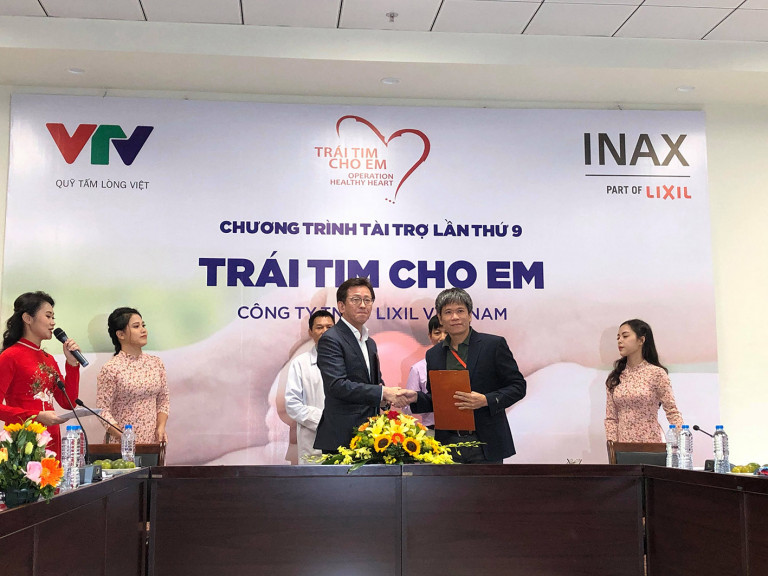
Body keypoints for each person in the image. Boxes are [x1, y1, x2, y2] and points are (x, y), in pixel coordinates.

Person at [406, 287, 527, 463]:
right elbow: (438, 399)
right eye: (448, 312)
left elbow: (518, 386)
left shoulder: (493, 345)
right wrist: (416, 397)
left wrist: (486, 400)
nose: (455, 317)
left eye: (460, 311)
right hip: (447, 444)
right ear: (440, 318)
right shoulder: (434, 354)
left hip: (485, 443)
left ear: (470, 315)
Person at [313, 277, 411, 452]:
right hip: (342, 436)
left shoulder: (369, 342)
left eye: (368, 300)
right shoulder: (331, 339)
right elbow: (337, 385)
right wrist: (383, 392)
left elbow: (374, 383)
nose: (363, 305)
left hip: (370, 433)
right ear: (341, 306)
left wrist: (387, 398)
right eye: (356, 300)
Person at [0, 291, 82, 456]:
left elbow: (69, 403)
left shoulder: (48, 359)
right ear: (27, 318)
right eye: (48, 316)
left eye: (53, 317)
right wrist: (36, 416)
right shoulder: (10, 356)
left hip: (51, 438)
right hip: (23, 440)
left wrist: (72, 364)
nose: (53, 322)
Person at [96, 307, 169, 444]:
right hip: (121, 445)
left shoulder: (155, 363)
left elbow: (163, 400)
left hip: (152, 443)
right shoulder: (111, 368)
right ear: (120, 334)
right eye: (136, 326)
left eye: (143, 325)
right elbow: (102, 410)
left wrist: (161, 427)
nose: (143, 330)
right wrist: (124, 437)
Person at [604, 319, 683, 442]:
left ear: (641, 340)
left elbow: (672, 411)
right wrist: (612, 447)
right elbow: (611, 419)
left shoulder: (656, 373)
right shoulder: (615, 377)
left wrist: (683, 442)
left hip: (651, 445)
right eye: (618, 337)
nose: (620, 340)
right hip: (623, 448)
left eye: (625, 336)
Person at [284, 310, 335, 463]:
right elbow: (293, 405)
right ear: (310, 332)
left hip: (345, 443)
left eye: (329, 327)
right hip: (313, 443)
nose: (325, 331)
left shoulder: (348, 361)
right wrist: (326, 420)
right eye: (319, 327)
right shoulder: (300, 363)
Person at [402, 315, 446, 428]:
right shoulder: (418, 368)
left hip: (463, 430)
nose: (442, 337)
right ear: (430, 336)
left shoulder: (465, 363)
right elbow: (407, 407)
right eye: (437, 333)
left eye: (447, 332)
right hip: (432, 429)